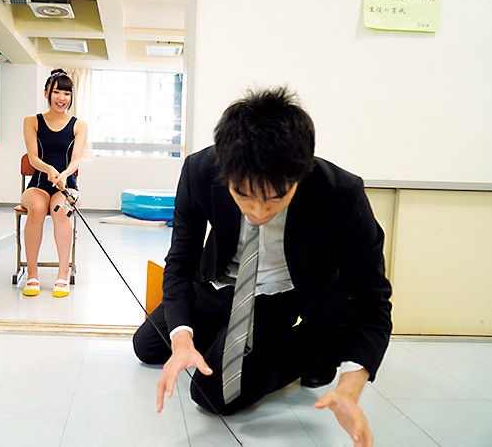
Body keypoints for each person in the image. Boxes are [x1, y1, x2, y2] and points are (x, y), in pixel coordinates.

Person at [133, 87, 392, 446]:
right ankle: (227, 337)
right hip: (218, 285)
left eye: (275, 198)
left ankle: (320, 345)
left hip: (277, 297)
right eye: (243, 194)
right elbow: (179, 265)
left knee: (211, 394)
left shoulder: (341, 194)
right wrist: (182, 339)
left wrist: (350, 388)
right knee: (148, 346)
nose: (257, 212)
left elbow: (372, 301)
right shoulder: (199, 171)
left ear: (301, 174)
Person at [21, 69, 87, 298]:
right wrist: (49, 169)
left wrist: (64, 173)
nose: (62, 98)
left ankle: (62, 274)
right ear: (46, 93)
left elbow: (76, 160)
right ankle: (32, 275)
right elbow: (33, 158)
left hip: (67, 187)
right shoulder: (32, 121)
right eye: (57, 92)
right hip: (38, 185)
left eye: (67, 93)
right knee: (38, 208)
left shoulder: (79, 125)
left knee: (60, 210)